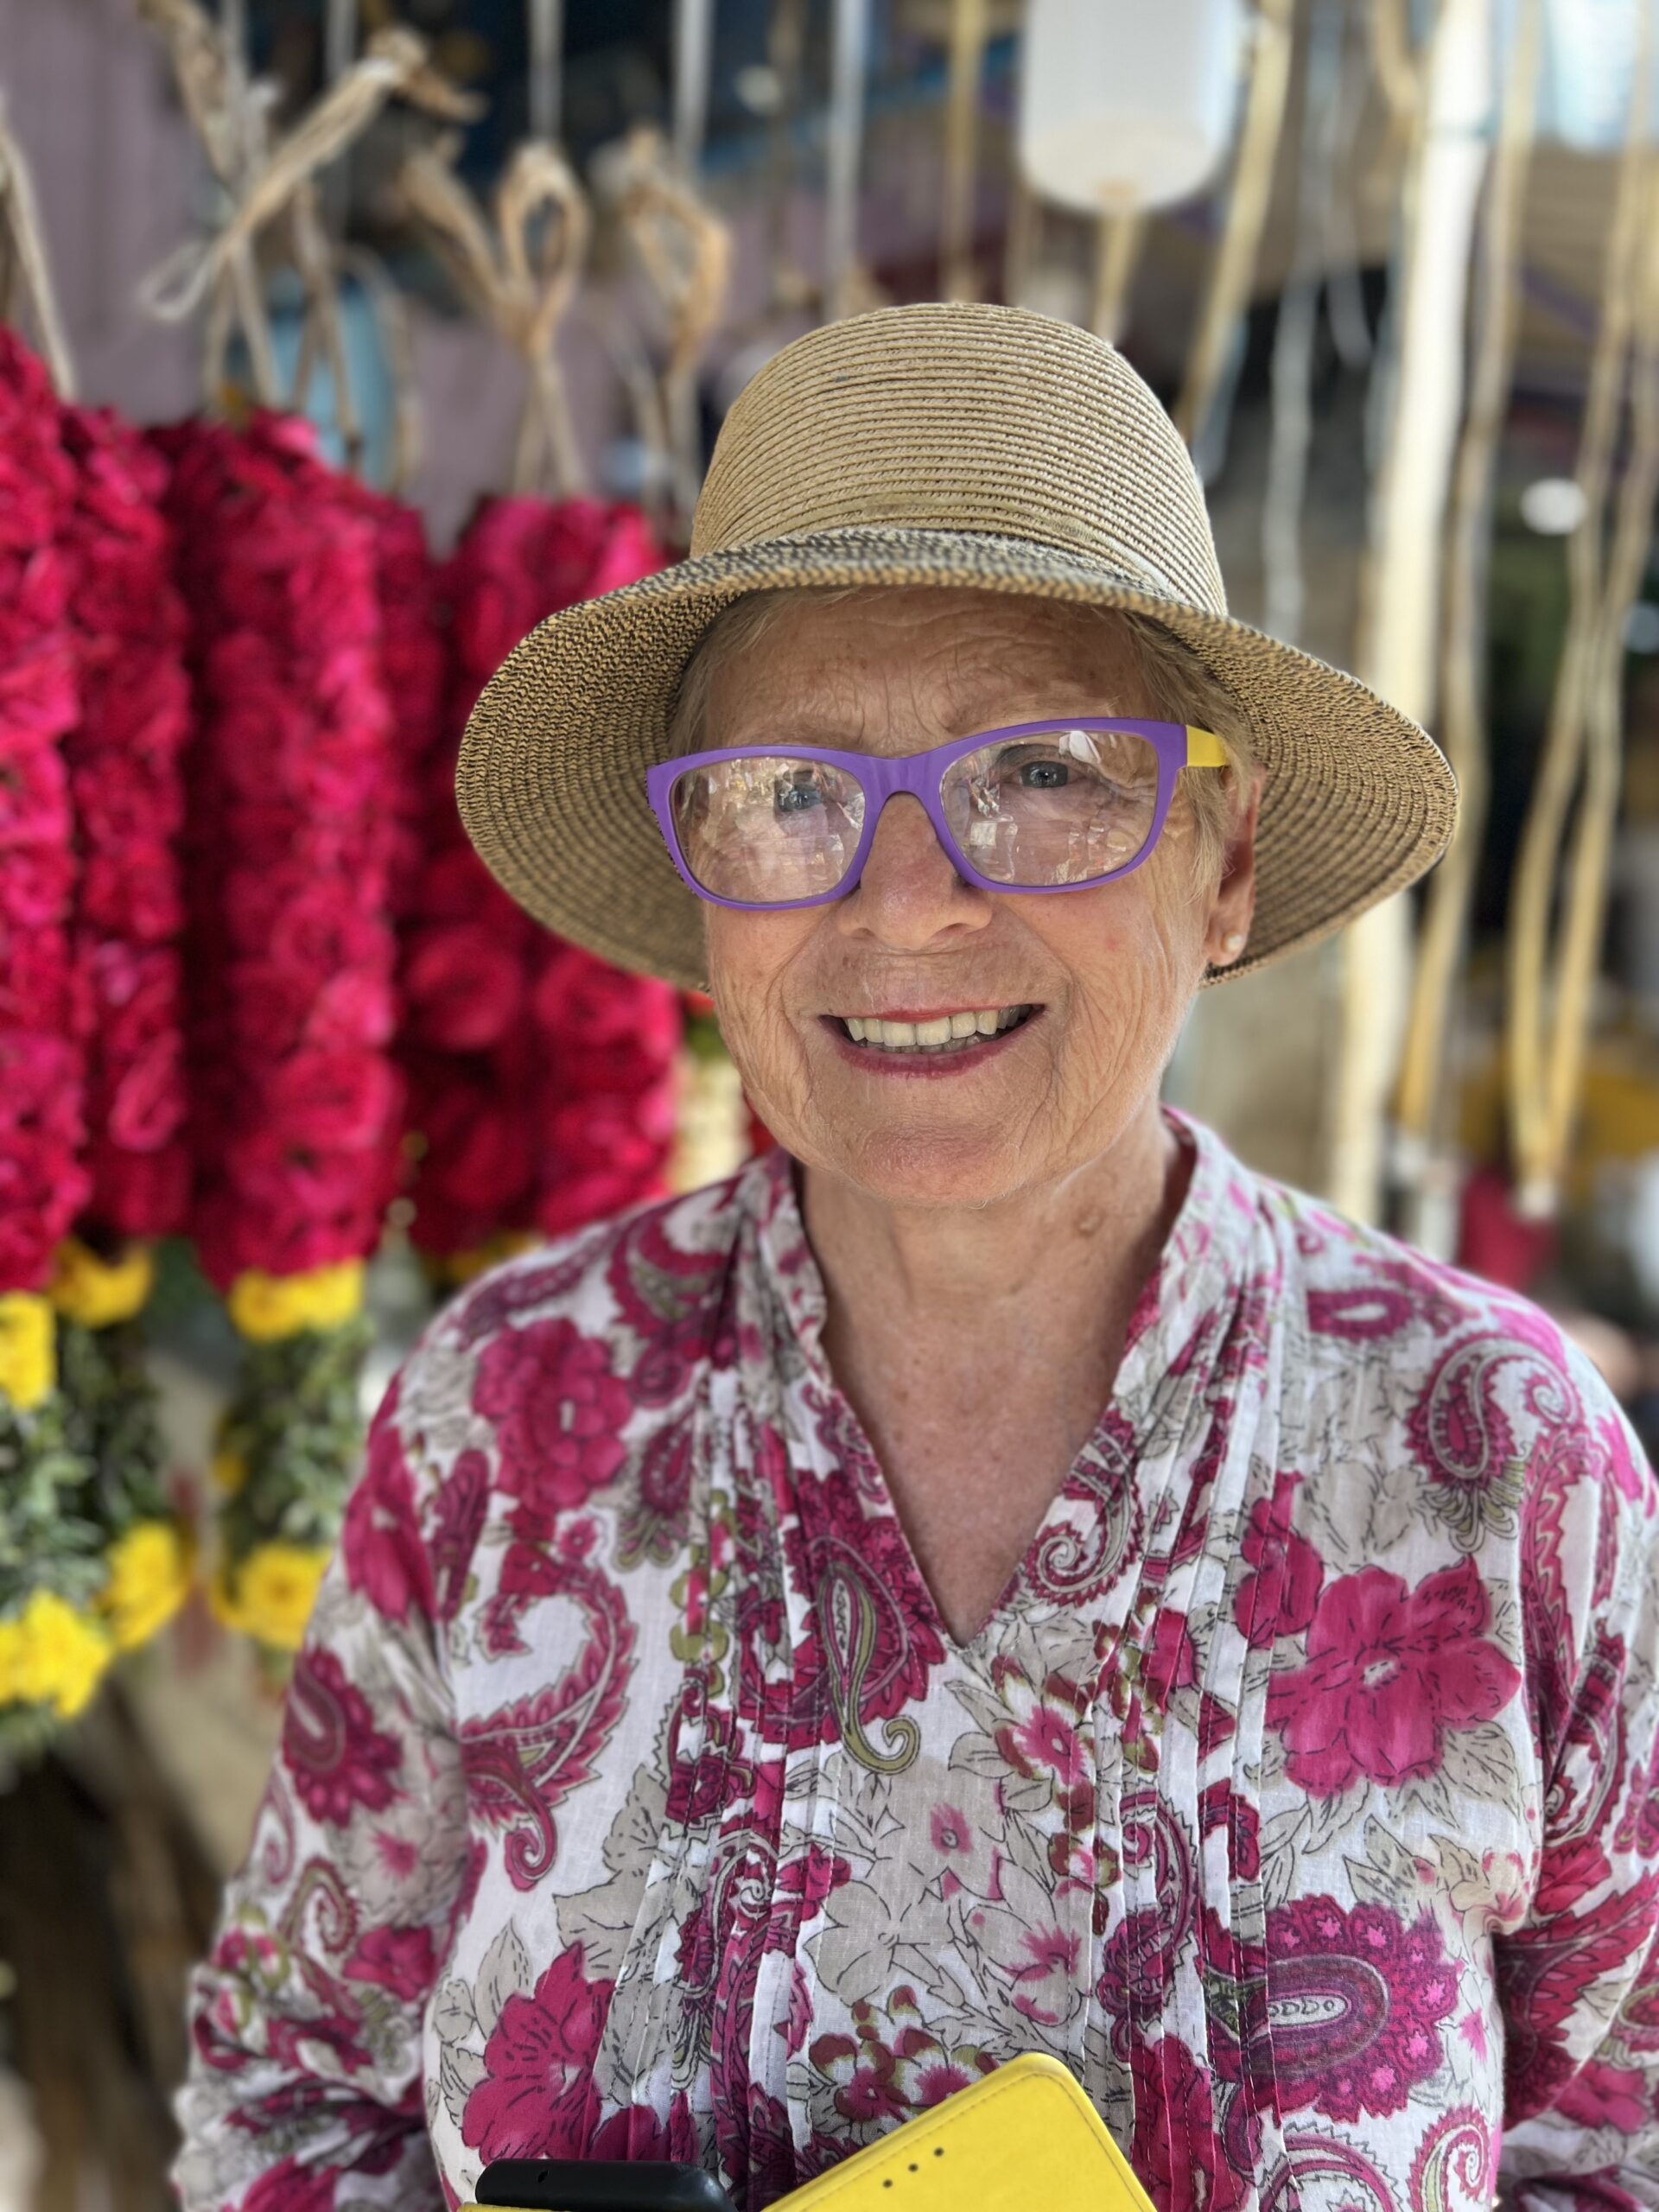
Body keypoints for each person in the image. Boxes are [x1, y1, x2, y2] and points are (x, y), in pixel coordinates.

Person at [175, 305, 1659, 2212]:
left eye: (1045, 771)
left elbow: (1620, 2149)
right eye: (794, 795)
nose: (908, 903)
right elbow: (286, 2105)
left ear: (1223, 859)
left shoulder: (1498, 1456)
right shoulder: (506, 1422)